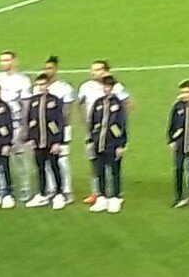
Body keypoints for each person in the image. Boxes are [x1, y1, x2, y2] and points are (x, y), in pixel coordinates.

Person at [77, 59, 130, 206]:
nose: (95, 73)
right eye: (93, 70)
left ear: (106, 71)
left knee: (112, 163)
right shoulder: (86, 86)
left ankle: (114, 195)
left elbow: (127, 105)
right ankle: (97, 193)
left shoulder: (117, 87)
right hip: (95, 131)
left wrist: (117, 125)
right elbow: (81, 106)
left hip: (111, 134)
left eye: (98, 69)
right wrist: (87, 124)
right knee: (95, 162)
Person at [0, 51, 33, 202]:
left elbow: (26, 104)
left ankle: (25, 187)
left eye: (7, 60)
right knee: (0, 157)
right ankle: (3, 187)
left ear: (14, 61)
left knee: (19, 157)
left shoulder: (23, 80)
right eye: (2, 60)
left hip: (16, 123)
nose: (4, 63)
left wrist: (25, 126)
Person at [23, 74, 66, 208]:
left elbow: (60, 121)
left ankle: (59, 194)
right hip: (38, 142)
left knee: (54, 167)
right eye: (39, 85)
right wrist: (30, 138)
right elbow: (30, 121)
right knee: (40, 168)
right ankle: (42, 194)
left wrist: (57, 141)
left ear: (48, 85)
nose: (41, 87)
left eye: (43, 84)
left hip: (51, 141)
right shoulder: (33, 101)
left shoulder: (55, 100)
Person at [87, 77, 128, 213]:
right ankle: (102, 198)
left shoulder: (118, 104)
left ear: (112, 88)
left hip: (113, 144)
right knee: (100, 172)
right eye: (105, 86)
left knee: (114, 171)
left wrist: (121, 145)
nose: (106, 89)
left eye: (109, 86)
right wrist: (90, 141)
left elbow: (122, 125)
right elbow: (92, 123)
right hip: (98, 144)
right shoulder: (98, 103)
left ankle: (115, 198)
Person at [40, 56, 77, 197]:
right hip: (43, 130)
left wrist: (60, 130)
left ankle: (66, 189)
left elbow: (67, 111)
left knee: (62, 160)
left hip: (61, 128)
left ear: (56, 69)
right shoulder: (39, 87)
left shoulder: (64, 87)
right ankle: (51, 188)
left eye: (50, 68)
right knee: (47, 160)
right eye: (45, 68)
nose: (47, 71)